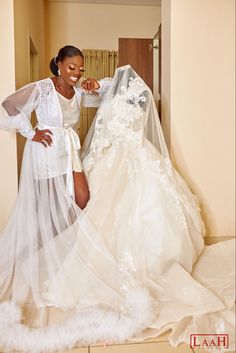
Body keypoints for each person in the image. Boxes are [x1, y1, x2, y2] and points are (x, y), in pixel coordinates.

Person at [0, 65, 234, 353]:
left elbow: (104, 116)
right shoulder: (102, 92)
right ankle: (69, 244)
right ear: (60, 65)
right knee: (100, 208)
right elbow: (96, 100)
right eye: (72, 66)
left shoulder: (128, 97)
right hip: (109, 155)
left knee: (129, 208)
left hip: (130, 155)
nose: (78, 72)